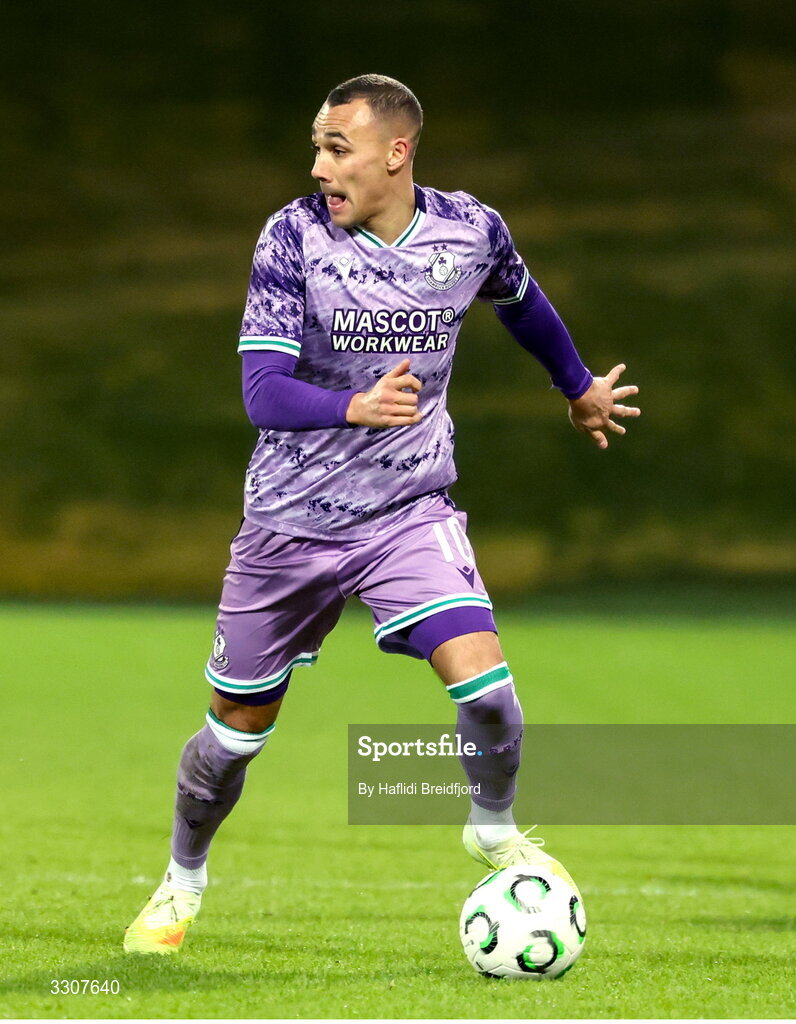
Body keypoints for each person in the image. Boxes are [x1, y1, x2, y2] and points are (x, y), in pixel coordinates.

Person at [124, 74, 640, 954]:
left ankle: (491, 828)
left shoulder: (469, 230)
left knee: (490, 693)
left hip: (406, 511)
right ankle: (182, 881)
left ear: (396, 153)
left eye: (338, 149)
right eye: (316, 148)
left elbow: (522, 302)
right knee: (234, 735)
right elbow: (261, 390)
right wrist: (352, 406)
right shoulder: (293, 238)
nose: (320, 167)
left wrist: (577, 385)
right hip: (289, 523)